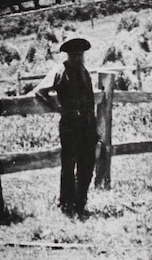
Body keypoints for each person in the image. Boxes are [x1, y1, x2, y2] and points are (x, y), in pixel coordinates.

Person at [34, 36, 99, 216]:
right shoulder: (60, 71)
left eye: (81, 54)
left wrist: (93, 126)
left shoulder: (84, 72)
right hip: (70, 126)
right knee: (69, 165)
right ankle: (66, 203)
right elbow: (40, 92)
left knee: (87, 165)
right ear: (68, 55)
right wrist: (58, 108)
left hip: (87, 124)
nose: (78, 58)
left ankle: (80, 203)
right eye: (75, 55)